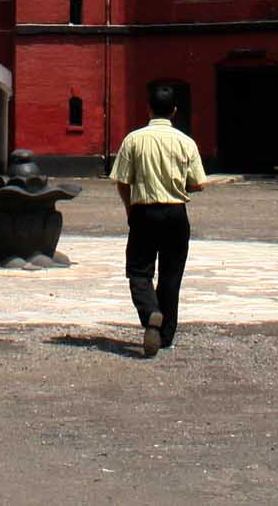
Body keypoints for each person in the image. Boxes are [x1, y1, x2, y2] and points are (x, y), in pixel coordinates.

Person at [109, 83, 210, 357]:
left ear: (148, 108)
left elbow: (121, 180)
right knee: (171, 275)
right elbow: (198, 184)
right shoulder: (186, 142)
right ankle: (165, 336)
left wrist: (130, 208)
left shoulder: (133, 140)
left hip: (143, 211)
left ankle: (150, 312)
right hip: (176, 214)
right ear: (174, 111)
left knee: (139, 271)